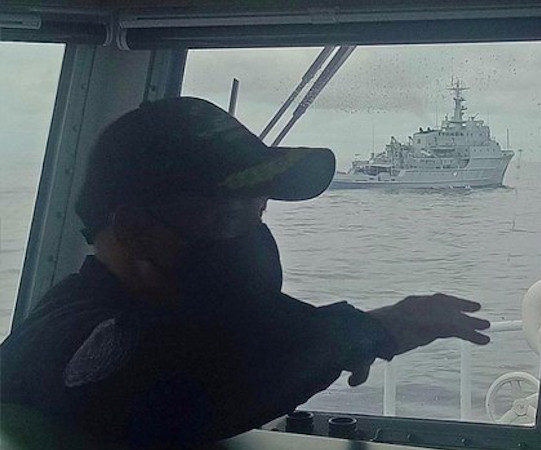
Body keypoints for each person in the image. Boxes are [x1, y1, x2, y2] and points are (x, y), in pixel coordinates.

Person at [0, 97, 491, 446]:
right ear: (134, 228)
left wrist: (366, 333)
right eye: (226, 218)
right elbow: (179, 383)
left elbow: (242, 334)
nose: (249, 240)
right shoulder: (66, 333)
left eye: (256, 214)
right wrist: (365, 331)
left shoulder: (170, 306)